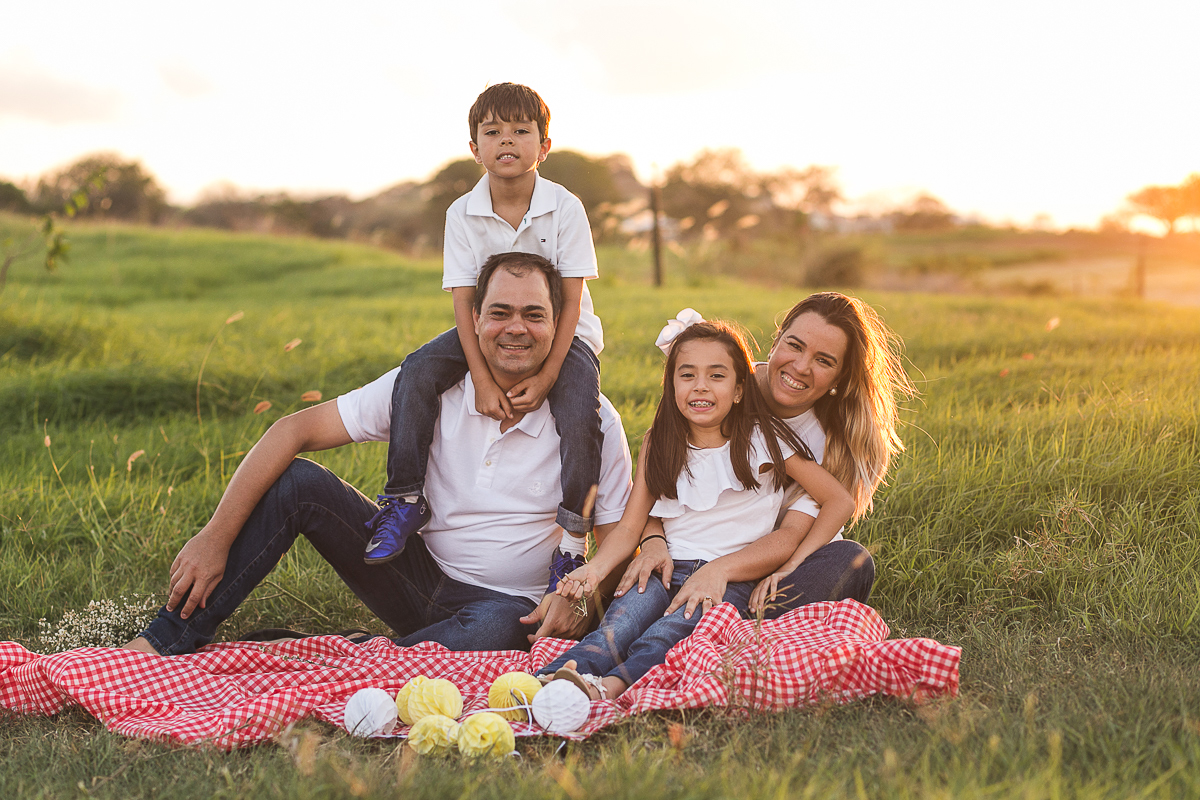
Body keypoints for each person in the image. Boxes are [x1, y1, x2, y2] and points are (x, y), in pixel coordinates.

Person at [124, 253, 632, 656]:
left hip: (509, 608)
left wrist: (580, 604)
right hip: (412, 574)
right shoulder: (428, 388)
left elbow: (612, 543)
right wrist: (215, 536)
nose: (515, 328)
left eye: (533, 315)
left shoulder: (595, 421)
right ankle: (167, 639)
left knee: (499, 631)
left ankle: (360, 656)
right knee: (300, 483)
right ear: (473, 319)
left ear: (559, 323)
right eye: (499, 312)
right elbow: (293, 429)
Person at [534, 317, 855, 700]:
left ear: (739, 390)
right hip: (666, 569)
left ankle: (609, 688)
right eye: (687, 375)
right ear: (672, 386)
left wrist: (791, 564)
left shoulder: (763, 439)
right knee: (620, 622)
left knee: (667, 632)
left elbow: (840, 500)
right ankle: (550, 680)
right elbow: (630, 527)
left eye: (716, 376)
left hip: (732, 578)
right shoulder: (661, 442)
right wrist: (594, 569)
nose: (700, 386)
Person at [365, 83, 605, 596]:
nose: (507, 141)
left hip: (563, 333)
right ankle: (404, 500)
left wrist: (546, 375)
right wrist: (478, 376)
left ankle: (571, 542)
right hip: (485, 329)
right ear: (474, 148)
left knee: (582, 408)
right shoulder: (462, 213)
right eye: (492, 132)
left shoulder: (565, 208)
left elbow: (570, 298)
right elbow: (462, 303)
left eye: (521, 131)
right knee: (418, 370)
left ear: (544, 146)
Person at [617, 292, 915, 621]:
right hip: (699, 549)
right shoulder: (720, 385)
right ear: (775, 343)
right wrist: (655, 540)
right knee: (644, 594)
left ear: (840, 378)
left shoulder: (833, 444)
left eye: (823, 360)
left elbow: (795, 531)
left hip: (780, 557)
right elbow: (662, 480)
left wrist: (786, 569)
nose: (800, 367)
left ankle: (734, 628)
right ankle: (711, 626)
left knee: (850, 559)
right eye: (795, 345)